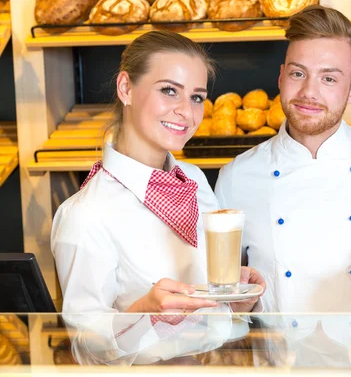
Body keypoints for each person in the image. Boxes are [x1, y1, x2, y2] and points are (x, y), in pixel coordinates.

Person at [50, 30, 265, 365]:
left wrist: (232, 304)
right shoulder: (85, 214)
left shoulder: (193, 179)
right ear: (126, 89)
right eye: (169, 91)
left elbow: (210, 321)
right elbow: (84, 351)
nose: (187, 112)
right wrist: (143, 313)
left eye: (196, 97)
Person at [215, 5, 351, 316]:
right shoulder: (237, 176)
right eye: (298, 73)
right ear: (281, 76)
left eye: (329, 78)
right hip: (278, 359)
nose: (308, 92)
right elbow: (222, 300)